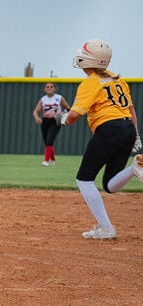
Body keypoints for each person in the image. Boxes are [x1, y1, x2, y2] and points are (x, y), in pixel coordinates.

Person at [60, 38, 143, 239]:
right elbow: (130, 110)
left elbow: (73, 115)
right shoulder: (118, 79)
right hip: (127, 129)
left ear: (87, 60)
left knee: (84, 178)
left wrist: (64, 119)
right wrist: (137, 136)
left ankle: (106, 228)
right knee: (109, 184)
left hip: (109, 129)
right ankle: (135, 169)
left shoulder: (90, 83)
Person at [32, 82, 71, 166]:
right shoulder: (43, 99)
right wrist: (37, 117)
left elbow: (68, 108)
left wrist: (63, 116)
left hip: (55, 121)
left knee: (49, 140)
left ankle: (46, 161)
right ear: (44, 89)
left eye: (51, 87)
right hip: (45, 121)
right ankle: (52, 160)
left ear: (55, 88)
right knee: (47, 142)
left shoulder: (59, 97)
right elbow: (35, 111)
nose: (49, 88)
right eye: (47, 87)